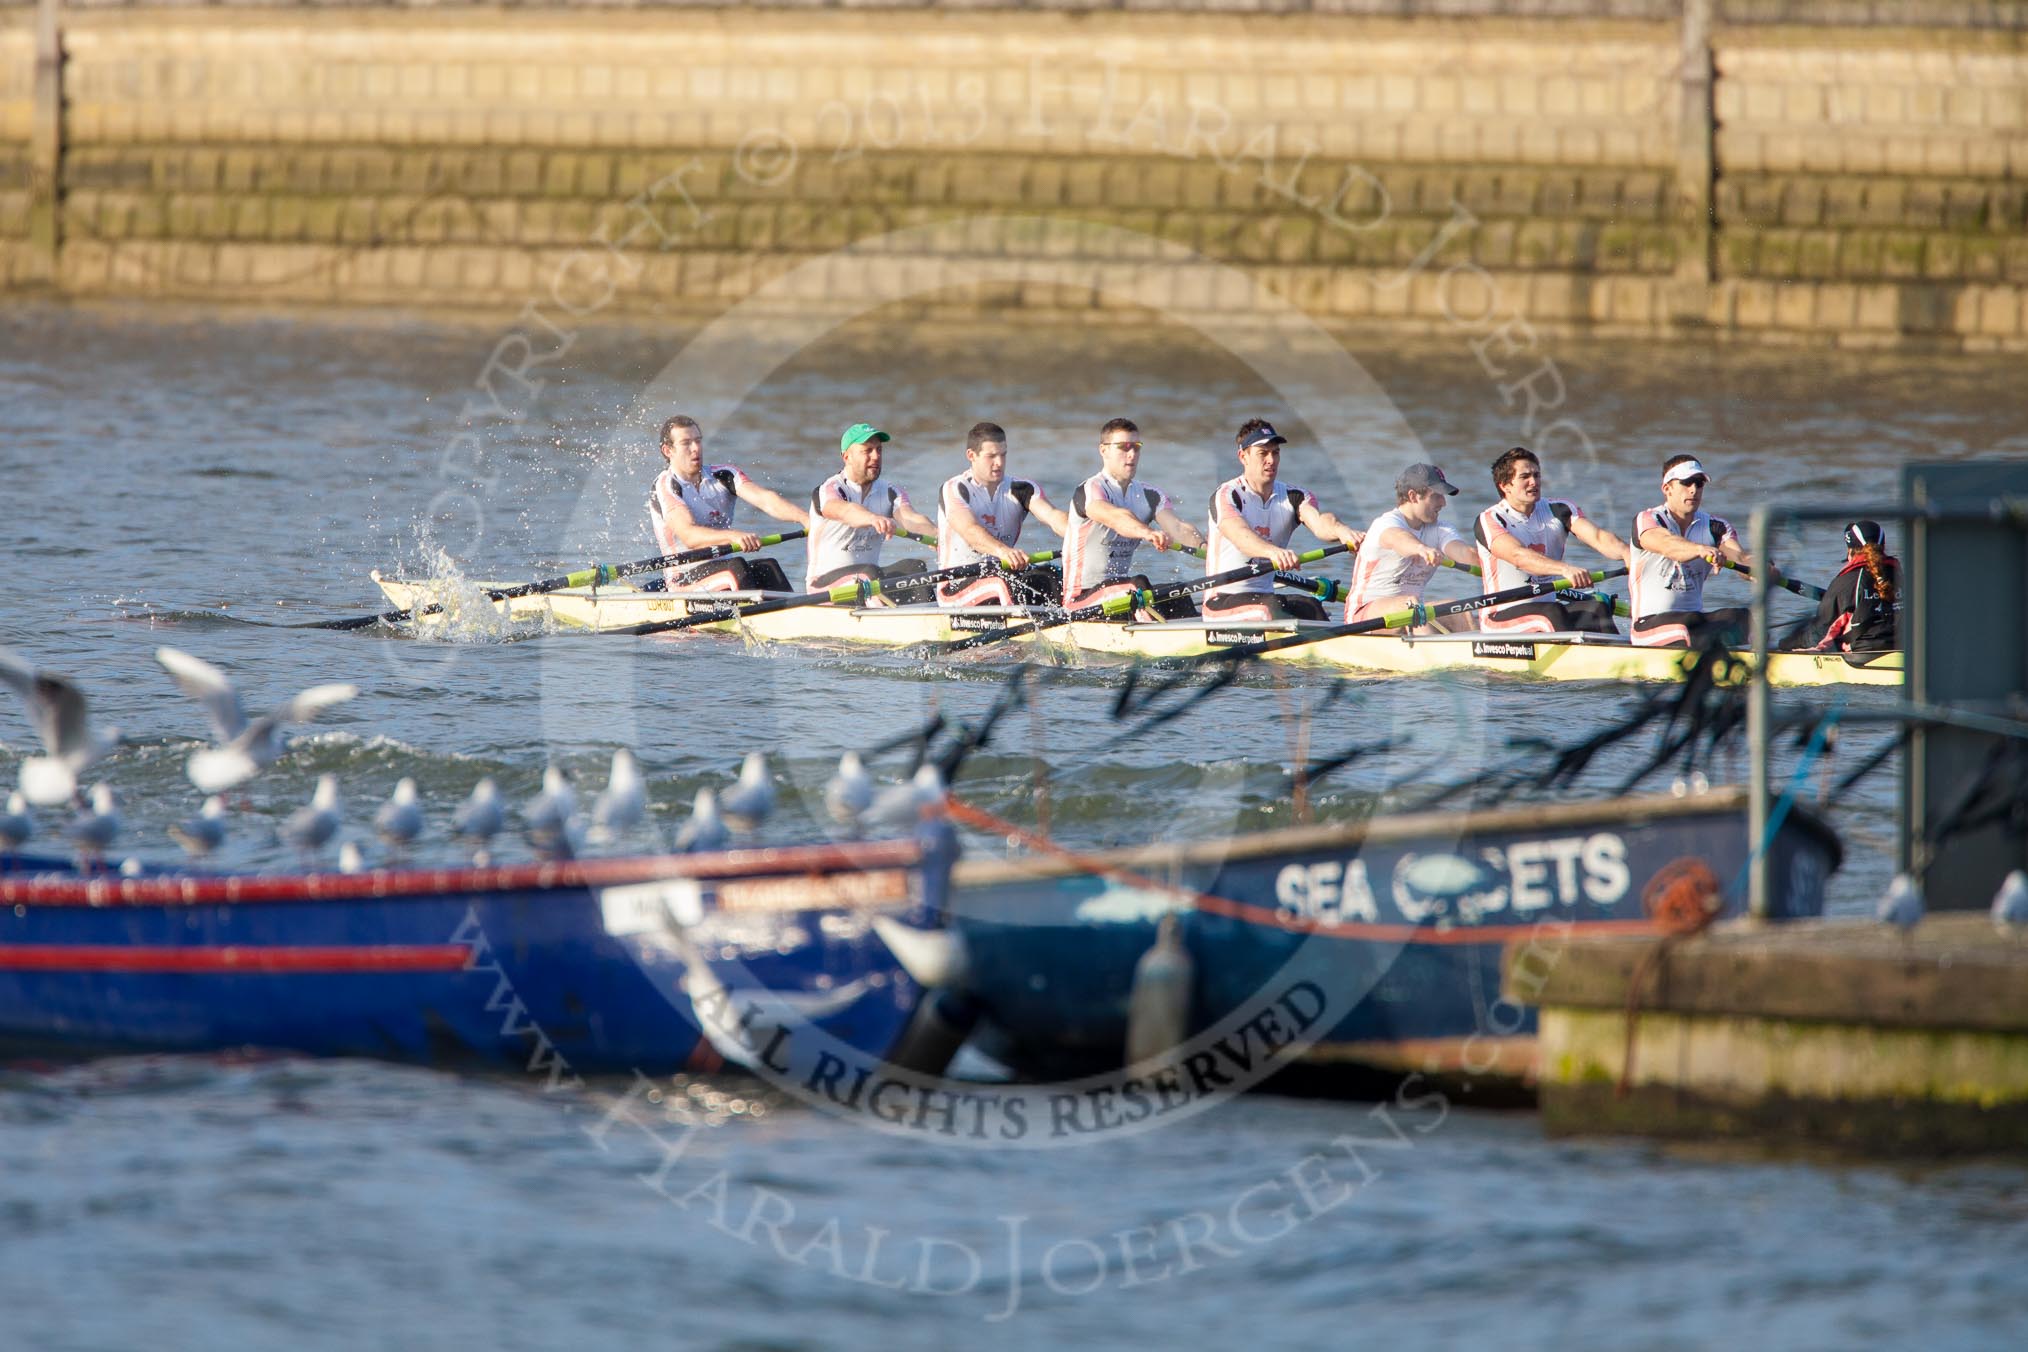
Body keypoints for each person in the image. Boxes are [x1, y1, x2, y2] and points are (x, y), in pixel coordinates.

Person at [1203, 419, 1364, 623]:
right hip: (1220, 602)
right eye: (1263, 453)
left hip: (1265, 598)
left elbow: (1320, 522)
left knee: (1312, 608)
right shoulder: (1227, 495)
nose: (1271, 459)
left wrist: (1342, 531)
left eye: (1275, 452)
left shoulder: (1294, 496)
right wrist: (1272, 552)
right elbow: (1239, 535)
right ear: (1243, 456)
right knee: (1269, 610)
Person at [1060, 418, 1205, 620]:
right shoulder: (1091, 490)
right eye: (1123, 447)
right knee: (1138, 585)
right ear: (1104, 450)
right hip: (1080, 600)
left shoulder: (1150, 495)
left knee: (1177, 592)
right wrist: (1147, 532)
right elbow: (1117, 518)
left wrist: (1209, 549)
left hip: (1120, 594)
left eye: (1136, 447)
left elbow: (1179, 528)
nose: (1131, 454)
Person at [1473, 446, 1628, 635]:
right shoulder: (1491, 519)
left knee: (1596, 608)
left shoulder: (1559, 509)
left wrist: (1629, 554)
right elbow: (1518, 557)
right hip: (1500, 618)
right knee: (1550, 612)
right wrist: (1564, 569)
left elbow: (1599, 538)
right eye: (1525, 477)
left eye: (1536, 475)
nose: (1534, 482)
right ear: (1505, 485)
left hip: (1547, 614)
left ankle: (1620, 656)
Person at [646, 415, 806, 593]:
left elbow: (767, 500)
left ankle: (794, 614)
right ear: (668, 451)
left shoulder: (724, 475)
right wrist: (733, 536)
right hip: (684, 580)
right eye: (686, 443)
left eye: (698, 441)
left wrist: (807, 519)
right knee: (735, 567)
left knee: (768, 568)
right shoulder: (666, 485)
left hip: (724, 572)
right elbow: (689, 536)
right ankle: (752, 616)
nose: (695, 449)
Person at [935, 421, 1069, 608]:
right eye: (991, 456)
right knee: (1001, 583)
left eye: (1003, 455)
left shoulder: (1022, 489)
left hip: (1003, 575)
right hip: (956, 587)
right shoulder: (955, 488)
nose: (999, 463)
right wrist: (1003, 551)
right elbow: (970, 532)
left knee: (1054, 576)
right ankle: (1026, 630)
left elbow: (1054, 517)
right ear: (971, 455)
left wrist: (1080, 535)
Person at [1627, 455, 1755, 648]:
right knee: (1686, 625)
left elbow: (1740, 558)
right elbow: (1668, 545)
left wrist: (1758, 566)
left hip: (1695, 623)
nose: (1694, 489)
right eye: (1686, 483)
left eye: (1699, 483)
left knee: (1745, 620)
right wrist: (1699, 549)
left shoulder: (1715, 527)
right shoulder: (1647, 520)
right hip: (1647, 628)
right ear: (1667, 489)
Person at [807, 422, 939, 605]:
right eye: (867, 451)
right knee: (869, 573)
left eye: (879, 450)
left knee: (915, 568)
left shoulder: (890, 491)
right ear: (847, 457)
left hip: (866, 582)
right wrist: (872, 518)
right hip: (822, 588)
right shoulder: (830, 489)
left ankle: (932, 620)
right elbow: (844, 511)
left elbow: (911, 519)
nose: (876, 456)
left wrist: (938, 535)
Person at [1344, 464, 1480, 633]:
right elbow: (1398, 539)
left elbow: (1464, 553)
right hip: (1363, 616)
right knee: (1410, 606)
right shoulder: (1385, 523)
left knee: (1461, 611)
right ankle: (1433, 656)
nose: (1443, 503)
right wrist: (1421, 548)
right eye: (1436, 496)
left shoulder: (1441, 529)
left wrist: (1500, 562)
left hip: (1413, 612)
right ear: (1413, 496)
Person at [1784, 519, 1901, 653]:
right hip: (1907, 649)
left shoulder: (1846, 581)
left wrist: (1787, 643)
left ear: (1850, 551)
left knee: (1799, 634)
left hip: (1863, 655)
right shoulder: (1903, 576)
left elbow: (1822, 627)